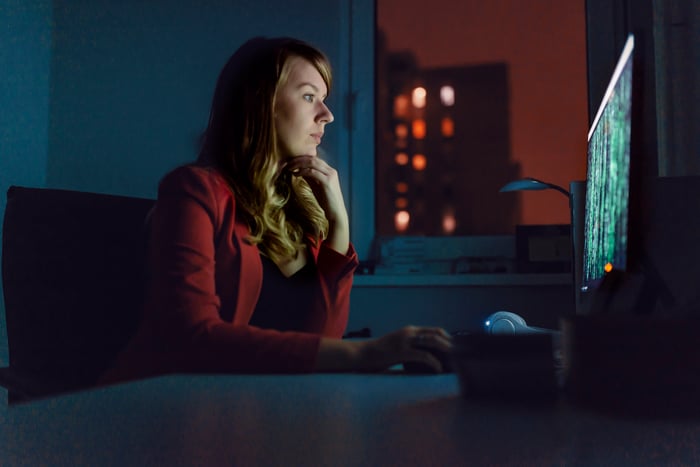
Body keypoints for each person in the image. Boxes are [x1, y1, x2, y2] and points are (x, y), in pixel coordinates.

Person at [100, 37, 451, 384]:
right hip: (160, 404)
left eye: (324, 100)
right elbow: (190, 337)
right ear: (261, 104)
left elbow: (322, 340)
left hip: (253, 408)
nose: (327, 116)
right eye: (309, 96)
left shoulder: (301, 211)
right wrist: (365, 353)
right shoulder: (193, 190)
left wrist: (338, 225)